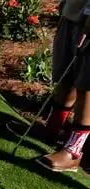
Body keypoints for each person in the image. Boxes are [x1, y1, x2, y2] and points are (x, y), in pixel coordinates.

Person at [35, 0, 90, 172]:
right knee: (67, 73)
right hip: (75, 11)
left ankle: (73, 152)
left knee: (86, 84)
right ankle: (52, 129)